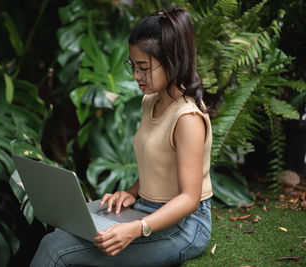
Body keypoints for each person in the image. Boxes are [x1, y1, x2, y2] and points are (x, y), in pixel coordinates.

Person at [30, 6, 213, 266]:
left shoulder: (187, 119)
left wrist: (135, 228)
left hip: (184, 227)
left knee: (55, 249)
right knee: (62, 234)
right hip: (147, 209)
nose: (136, 76)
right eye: (133, 65)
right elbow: (160, 160)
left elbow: (189, 199)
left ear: (172, 61)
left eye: (143, 68)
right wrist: (132, 192)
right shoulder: (151, 101)